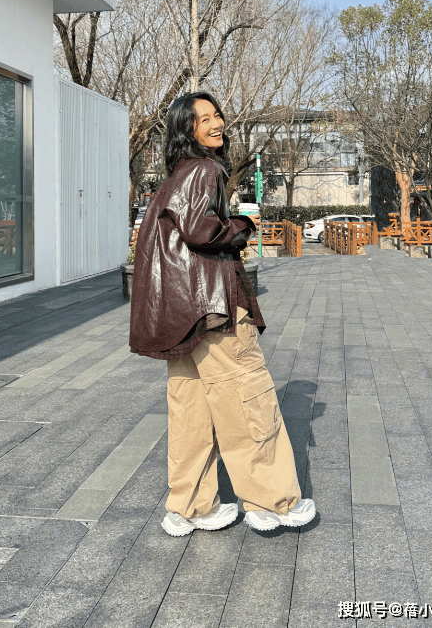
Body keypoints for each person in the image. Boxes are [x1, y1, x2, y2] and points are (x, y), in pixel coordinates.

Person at [129, 92, 316, 535]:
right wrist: (243, 226)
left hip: (181, 316)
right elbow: (202, 230)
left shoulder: (174, 177)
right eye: (203, 120)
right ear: (186, 130)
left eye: (216, 115)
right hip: (214, 308)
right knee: (247, 396)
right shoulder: (206, 169)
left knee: (190, 412)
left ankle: (190, 507)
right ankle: (272, 502)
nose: (216, 124)